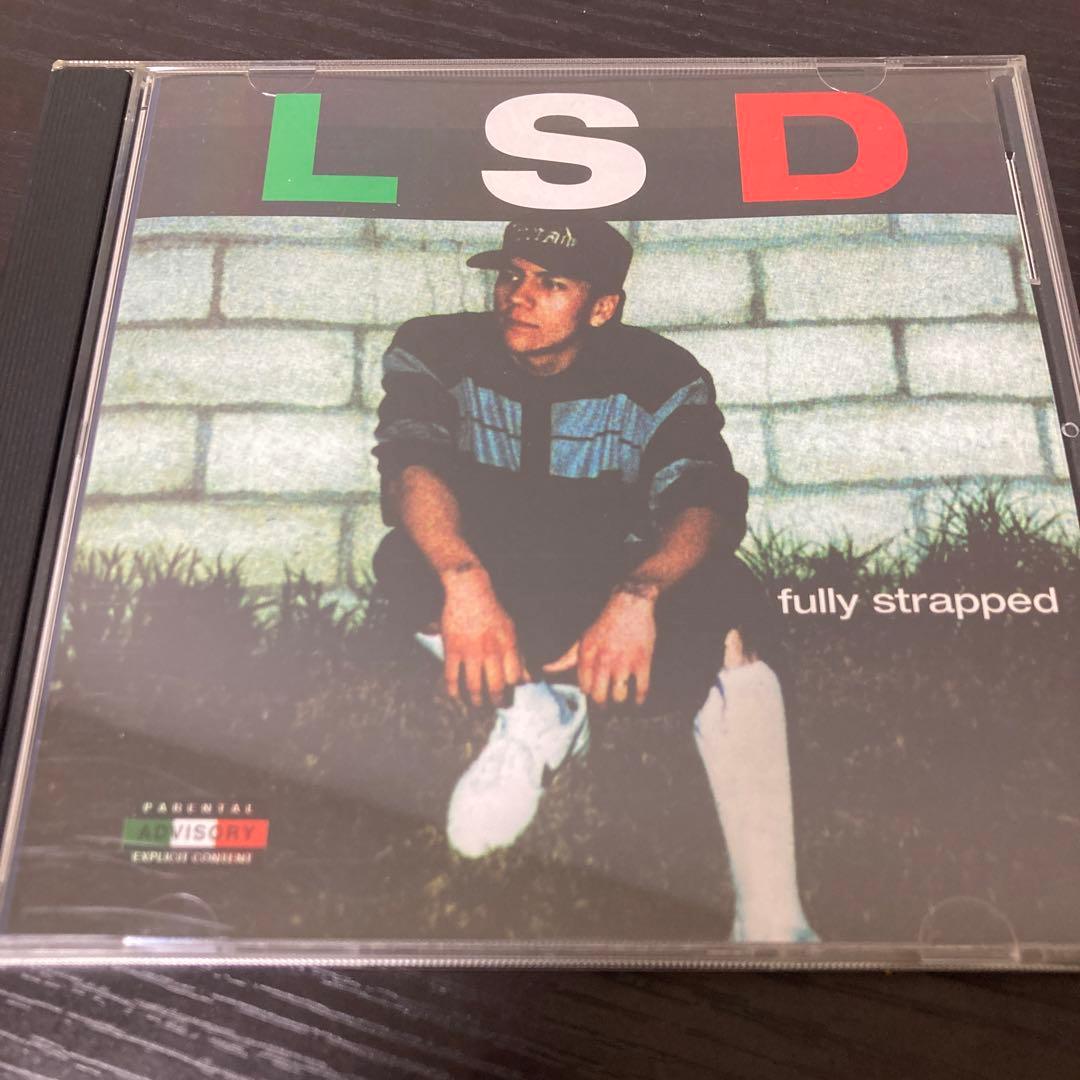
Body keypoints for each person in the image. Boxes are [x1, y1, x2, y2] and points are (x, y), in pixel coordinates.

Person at [371, 215, 816, 942]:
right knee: (408, 560)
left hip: (611, 575)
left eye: (551, 284)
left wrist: (638, 597)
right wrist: (465, 581)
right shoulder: (436, 347)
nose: (518, 295)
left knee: (733, 628)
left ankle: (772, 915)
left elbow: (702, 498)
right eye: (511, 275)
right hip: (499, 569)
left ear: (603, 306)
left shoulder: (659, 372)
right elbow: (410, 464)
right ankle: (538, 712)